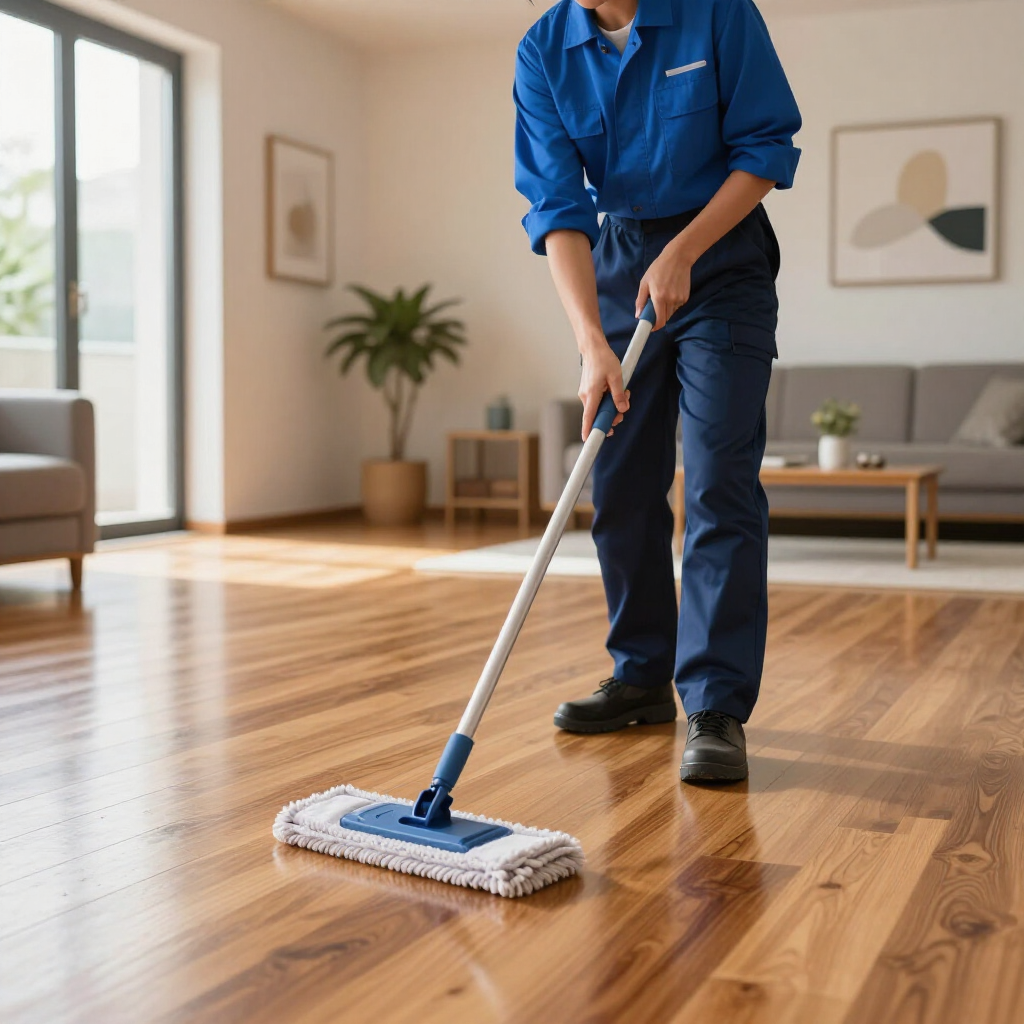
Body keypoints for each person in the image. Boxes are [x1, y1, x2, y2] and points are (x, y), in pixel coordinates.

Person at [513, 0, 801, 781]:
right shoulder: (545, 50)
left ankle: (714, 704)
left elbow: (766, 149)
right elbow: (557, 207)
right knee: (622, 481)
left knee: (718, 479)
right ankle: (641, 677)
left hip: (723, 259)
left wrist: (685, 251)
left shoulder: (715, 13)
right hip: (615, 266)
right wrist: (590, 343)